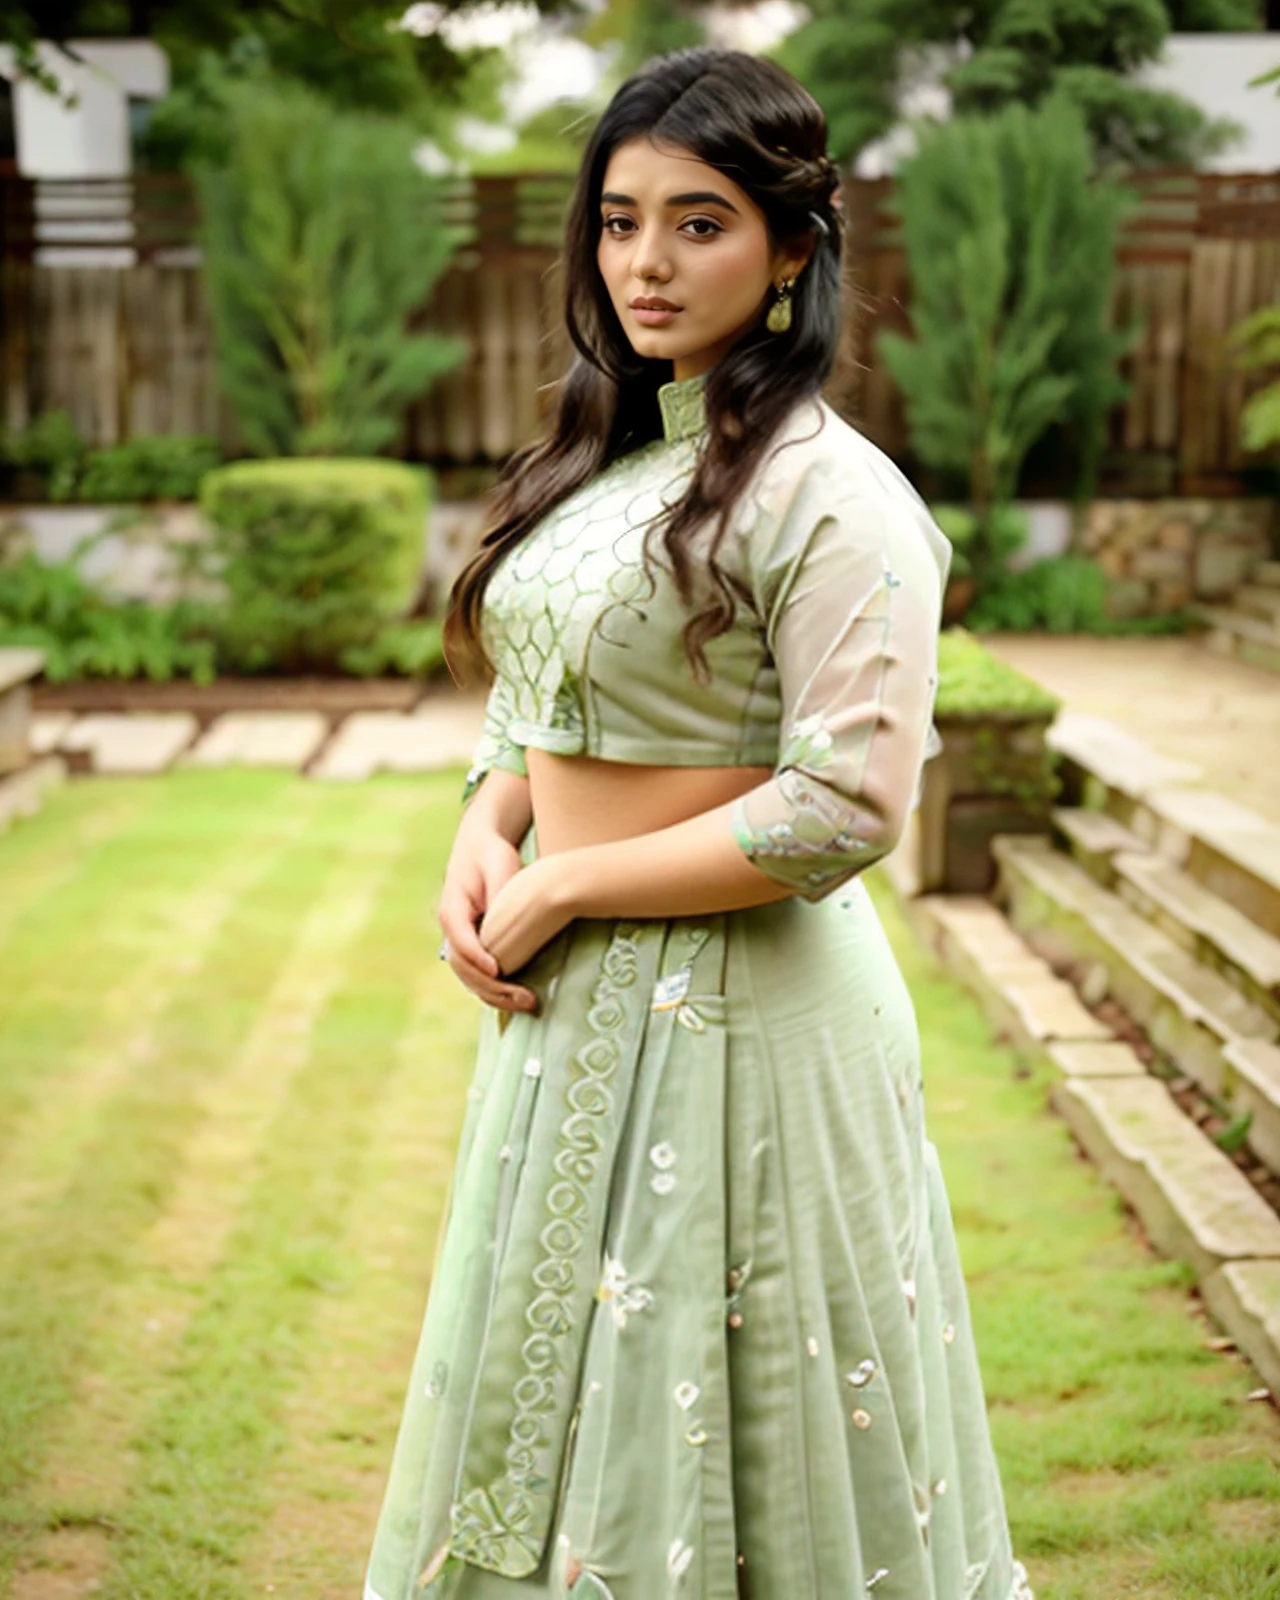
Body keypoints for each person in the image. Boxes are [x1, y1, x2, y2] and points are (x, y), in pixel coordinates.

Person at [365, 45, 1032, 1600]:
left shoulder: (835, 496)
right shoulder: (615, 457)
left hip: (749, 1026)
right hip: (571, 1000)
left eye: (699, 221)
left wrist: (574, 876)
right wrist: (492, 817)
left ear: (794, 247)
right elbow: (541, 690)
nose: (645, 263)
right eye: (617, 221)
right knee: (560, 1406)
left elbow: (844, 806)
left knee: (756, 1426)